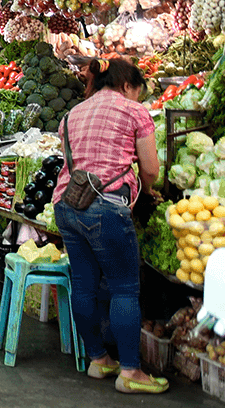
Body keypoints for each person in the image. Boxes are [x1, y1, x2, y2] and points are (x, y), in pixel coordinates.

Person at [53, 57, 167, 395]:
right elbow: (150, 168)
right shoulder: (134, 111)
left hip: (67, 205)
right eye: (138, 91)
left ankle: (98, 360)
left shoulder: (72, 114)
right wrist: (147, 191)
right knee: (125, 288)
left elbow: (72, 161)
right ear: (129, 85)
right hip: (107, 207)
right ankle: (131, 370)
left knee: (85, 285)